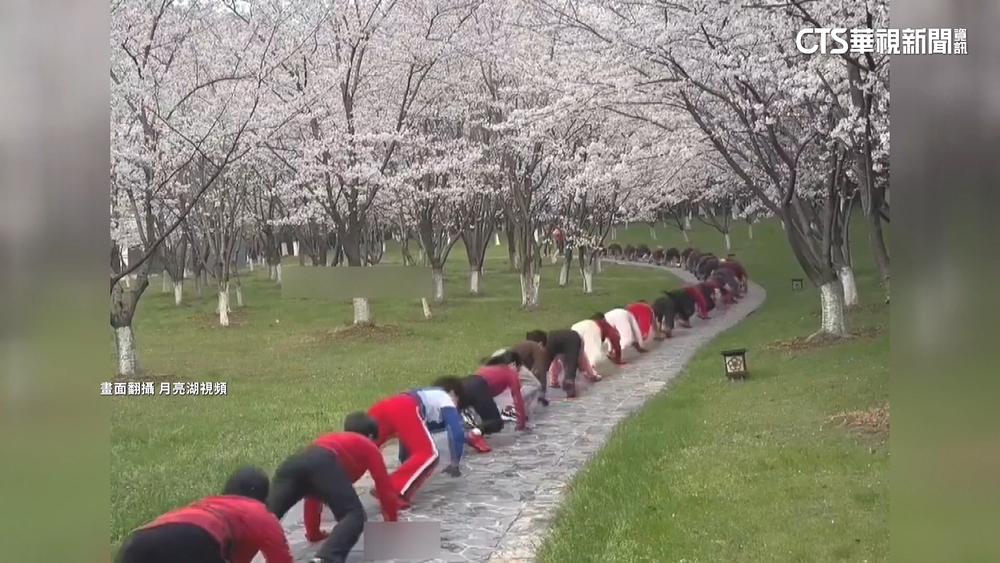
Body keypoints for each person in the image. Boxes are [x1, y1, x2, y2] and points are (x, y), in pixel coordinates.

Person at [265, 414, 399, 563]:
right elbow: (385, 489)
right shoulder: (368, 445)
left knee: (265, 516)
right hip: (322, 461)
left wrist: (313, 532)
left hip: (292, 463)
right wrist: (391, 527)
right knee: (354, 515)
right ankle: (326, 559)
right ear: (371, 436)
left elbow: (314, 493)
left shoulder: (329, 440)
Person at [116, 466, 293, 563]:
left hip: (138, 541)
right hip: (194, 538)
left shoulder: (210, 504)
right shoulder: (261, 513)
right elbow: (282, 560)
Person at [367, 379, 466, 504]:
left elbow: (409, 438)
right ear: (453, 394)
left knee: (363, 449)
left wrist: (406, 462)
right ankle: (389, 489)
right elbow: (457, 433)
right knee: (430, 454)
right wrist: (455, 462)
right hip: (405, 405)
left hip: (384, 405)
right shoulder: (446, 398)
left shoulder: (425, 396)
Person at [526, 329, 598, 398]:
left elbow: (546, 364)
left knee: (571, 367)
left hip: (573, 341)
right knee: (571, 364)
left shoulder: (548, 345)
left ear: (540, 344)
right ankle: (583, 377)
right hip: (573, 339)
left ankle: (571, 383)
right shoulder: (550, 342)